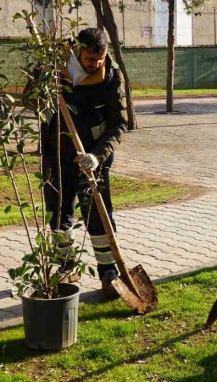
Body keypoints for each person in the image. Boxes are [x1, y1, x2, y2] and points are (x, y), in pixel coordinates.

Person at [30, 28, 128, 298]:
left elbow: (119, 124)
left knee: (98, 213)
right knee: (58, 211)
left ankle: (109, 273)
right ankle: (65, 268)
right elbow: (30, 101)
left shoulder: (110, 75)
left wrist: (97, 156)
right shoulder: (53, 68)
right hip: (57, 151)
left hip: (93, 155)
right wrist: (43, 86)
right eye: (89, 60)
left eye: (99, 59)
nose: (94, 64)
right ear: (76, 51)